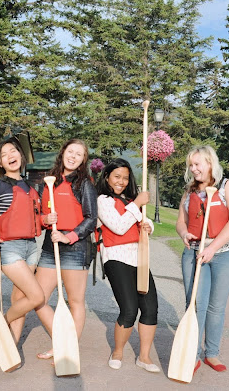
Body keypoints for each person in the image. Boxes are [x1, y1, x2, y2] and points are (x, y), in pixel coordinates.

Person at [175, 145, 229, 374]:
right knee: (195, 304)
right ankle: (192, 355)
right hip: (194, 252)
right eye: (191, 165)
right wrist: (184, 233)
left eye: (198, 164)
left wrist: (213, 247)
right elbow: (181, 222)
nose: (194, 169)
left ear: (210, 163)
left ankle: (211, 353)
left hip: (224, 254)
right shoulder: (189, 191)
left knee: (216, 307)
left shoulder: (227, 186)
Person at [34, 138, 97, 360]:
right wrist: (44, 219)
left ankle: (68, 349)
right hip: (50, 248)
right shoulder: (46, 183)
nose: (73, 156)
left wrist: (68, 236)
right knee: (38, 299)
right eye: (70, 151)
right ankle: (63, 342)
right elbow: (40, 215)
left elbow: (91, 219)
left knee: (76, 301)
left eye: (78, 154)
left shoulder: (84, 184)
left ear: (82, 160)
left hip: (76, 247)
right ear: (63, 153)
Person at [96, 159, 159, 373]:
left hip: (139, 256)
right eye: (117, 177)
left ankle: (144, 357)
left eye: (125, 177)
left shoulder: (130, 200)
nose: (121, 181)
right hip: (116, 257)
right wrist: (137, 203)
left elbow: (145, 224)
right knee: (129, 309)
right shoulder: (103, 200)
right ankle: (118, 352)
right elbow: (119, 226)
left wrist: (148, 226)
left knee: (150, 308)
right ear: (107, 177)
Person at [0, 139, 44, 343]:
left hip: (31, 247)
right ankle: (2, 323)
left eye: (14, 151)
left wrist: (47, 219)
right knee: (36, 297)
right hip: (9, 247)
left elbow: (37, 218)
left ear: (21, 155)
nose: (10, 155)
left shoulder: (31, 186)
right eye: (4, 154)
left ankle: (12, 345)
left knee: (20, 299)